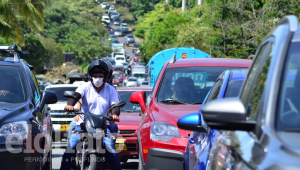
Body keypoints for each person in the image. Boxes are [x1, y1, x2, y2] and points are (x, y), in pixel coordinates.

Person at [60, 59, 122, 170]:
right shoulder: (85, 87)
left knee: (111, 150)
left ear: (105, 76)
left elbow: (115, 105)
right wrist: (70, 105)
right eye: (95, 76)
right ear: (90, 76)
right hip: (83, 125)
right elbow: (75, 96)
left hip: (103, 127)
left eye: (100, 75)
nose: (97, 78)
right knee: (70, 149)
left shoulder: (111, 89)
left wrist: (115, 114)